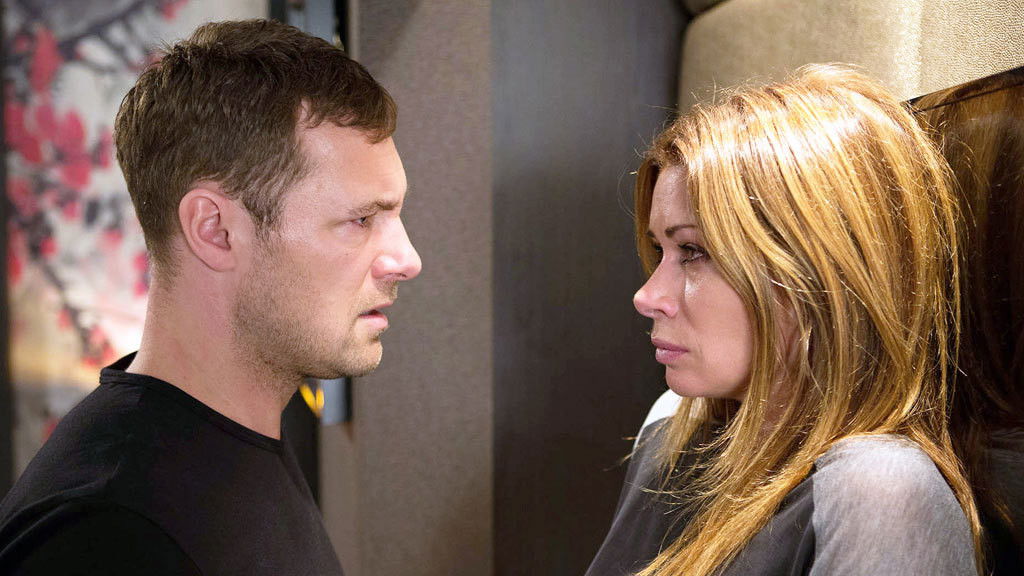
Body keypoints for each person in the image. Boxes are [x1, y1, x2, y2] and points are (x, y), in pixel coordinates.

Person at [0, 19, 420, 575]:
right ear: (215, 230)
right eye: (361, 219)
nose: (407, 260)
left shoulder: (239, 444)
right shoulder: (109, 534)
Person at [586, 65, 981, 576]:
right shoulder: (673, 431)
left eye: (694, 251)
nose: (647, 297)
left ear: (822, 272)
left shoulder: (881, 491)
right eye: (660, 250)